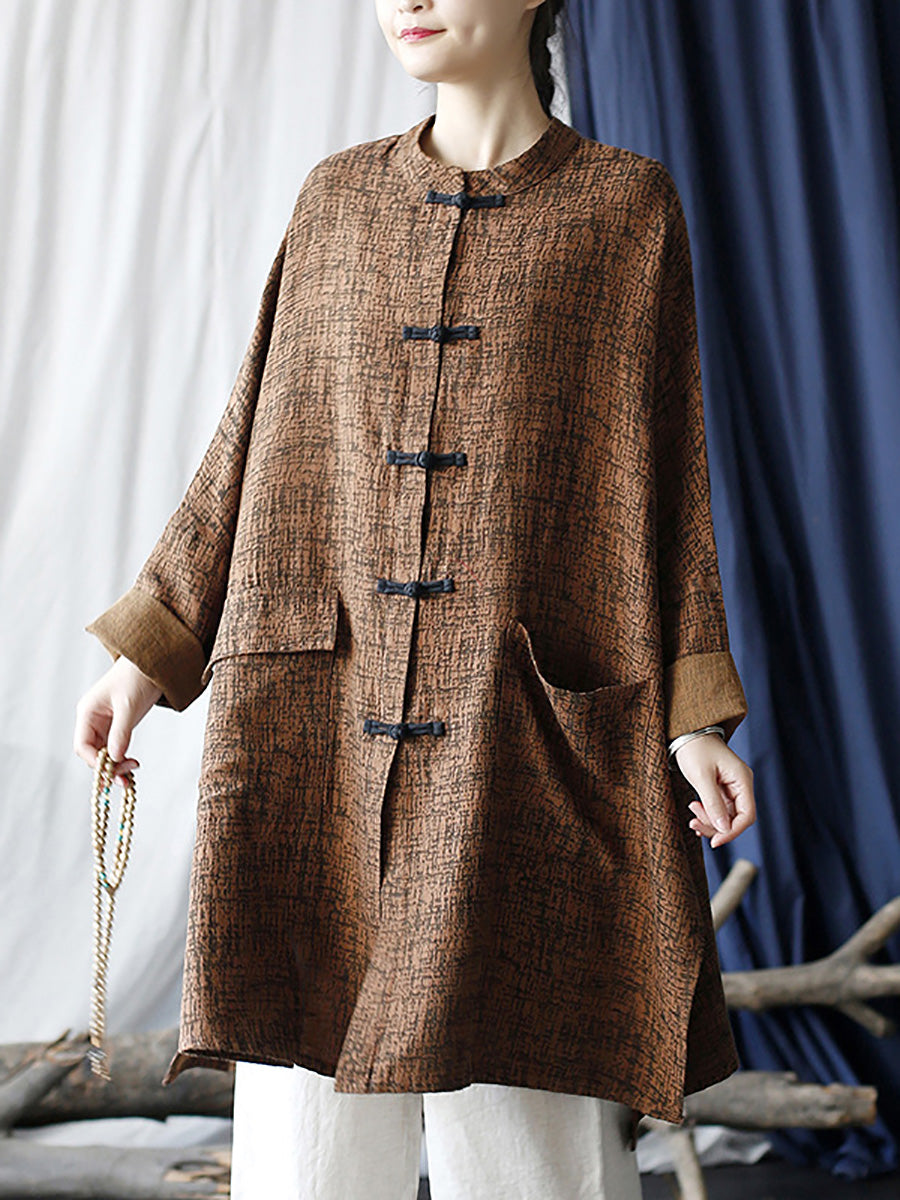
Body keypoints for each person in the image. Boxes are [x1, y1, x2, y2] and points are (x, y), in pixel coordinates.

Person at [74, 1, 756, 1196]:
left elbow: (669, 483)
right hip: (314, 742)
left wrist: (691, 714)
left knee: (526, 1147)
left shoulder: (623, 210)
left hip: (518, 746)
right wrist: (148, 650)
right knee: (307, 1157)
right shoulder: (336, 201)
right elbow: (250, 441)